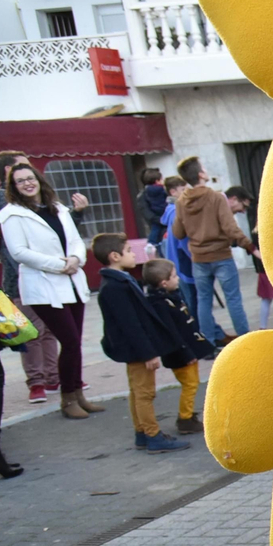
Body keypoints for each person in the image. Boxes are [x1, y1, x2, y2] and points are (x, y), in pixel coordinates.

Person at [0, 163, 103, 420]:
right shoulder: (11, 214)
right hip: (44, 285)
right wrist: (59, 265)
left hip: (71, 280)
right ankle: (68, 399)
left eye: (30, 178)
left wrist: (76, 259)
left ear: (38, 180)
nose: (27, 184)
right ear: (13, 187)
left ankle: (78, 394)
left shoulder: (57, 207)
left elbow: (76, 239)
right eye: (20, 181)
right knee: (67, 341)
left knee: (75, 342)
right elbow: (19, 252)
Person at [94, 235, 193, 452]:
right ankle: (153, 435)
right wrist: (149, 353)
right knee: (145, 393)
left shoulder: (122, 281)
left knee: (137, 390)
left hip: (135, 348)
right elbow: (131, 325)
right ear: (115, 256)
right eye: (129, 250)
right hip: (137, 350)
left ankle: (142, 432)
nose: (133, 254)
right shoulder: (115, 287)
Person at [0, 150, 61, 404]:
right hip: (21, 278)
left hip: (46, 274)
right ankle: (37, 382)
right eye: (23, 168)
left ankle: (53, 376)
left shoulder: (37, 201)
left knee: (48, 330)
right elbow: (15, 248)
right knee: (32, 331)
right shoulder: (3, 201)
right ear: (8, 173)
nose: (30, 174)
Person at [172, 155, 254, 345]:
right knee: (233, 299)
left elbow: (178, 232)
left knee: (204, 301)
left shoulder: (181, 202)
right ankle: (245, 341)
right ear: (201, 174)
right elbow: (229, 227)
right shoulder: (216, 197)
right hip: (221, 256)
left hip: (199, 258)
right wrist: (249, 245)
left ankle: (207, 341)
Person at [141, 258, 215, 435]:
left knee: (192, 383)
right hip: (180, 354)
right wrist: (187, 353)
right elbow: (172, 333)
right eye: (174, 276)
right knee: (190, 385)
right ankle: (185, 418)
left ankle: (188, 415)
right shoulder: (161, 304)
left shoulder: (170, 297)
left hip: (187, 349)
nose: (178, 279)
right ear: (164, 283)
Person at [227, 186, 273, 329]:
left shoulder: (255, 231)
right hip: (272, 267)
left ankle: (262, 327)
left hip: (262, 270)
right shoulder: (272, 230)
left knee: (266, 300)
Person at [159, 175, 199, 316]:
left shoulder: (170, 210)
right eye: (183, 189)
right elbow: (182, 239)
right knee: (193, 301)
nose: (186, 193)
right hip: (183, 261)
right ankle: (199, 332)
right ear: (173, 192)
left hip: (176, 260)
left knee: (191, 299)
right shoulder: (177, 211)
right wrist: (195, 256)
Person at [141, 168, 169, 248]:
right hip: (162, 213)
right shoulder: (162, 190)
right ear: (157, 180)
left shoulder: (147, 192)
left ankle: (151, 242)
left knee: (155, 229)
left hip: (155, 213)